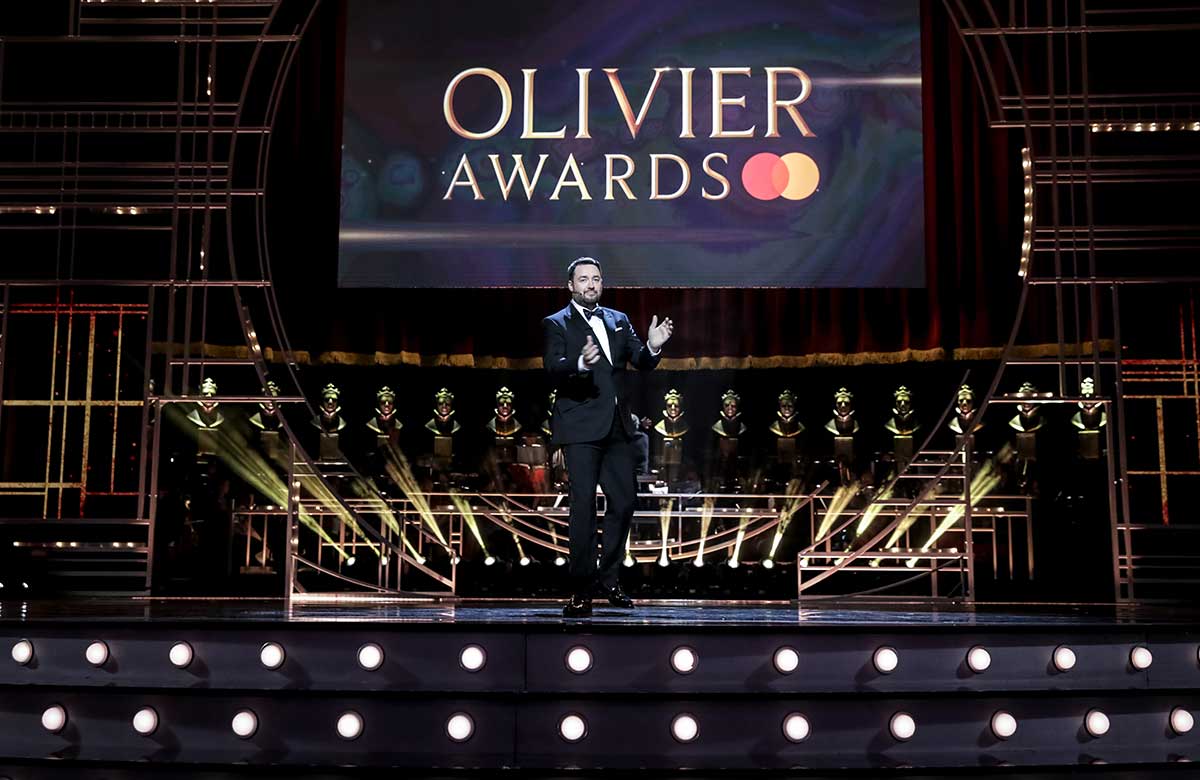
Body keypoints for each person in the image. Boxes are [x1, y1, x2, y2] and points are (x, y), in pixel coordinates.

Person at [544, 257, 674, 617]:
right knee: (582, 508)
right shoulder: (556, 323)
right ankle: (581, 589)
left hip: (617, 428)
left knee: (626, 501)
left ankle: (609, 579)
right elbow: (553, 368)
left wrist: (652, 346)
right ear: (570, 286)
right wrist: (580, 365)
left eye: (596, 279)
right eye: (583, 279)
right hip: (581, 428)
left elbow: (641, 360)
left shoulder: (618, 320)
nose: (591, 285)